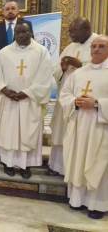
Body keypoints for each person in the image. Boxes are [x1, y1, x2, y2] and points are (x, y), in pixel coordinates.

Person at [0, 23, 53, 179]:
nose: (21, 35)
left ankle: (25, 166)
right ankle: (8, 164)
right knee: (8, 133)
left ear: (31, 32)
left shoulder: (41, 52)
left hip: (29, 101)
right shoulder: (4, 52)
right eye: (18, 32)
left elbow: (45, 78)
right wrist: (5, 90)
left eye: (25, 32)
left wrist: (27, 93)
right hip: (8, 101)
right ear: (14, 34)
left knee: (26, 134)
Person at [59, 36, 108, 219]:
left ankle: (98, 204)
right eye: (94, 46)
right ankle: (77, 200)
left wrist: (97, 104)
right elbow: (65, 95)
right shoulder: (79, 73)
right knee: (78, 161)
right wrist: (75, 102)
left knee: (98, 163)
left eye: (101, 46)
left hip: (100, 127)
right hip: (79, 126)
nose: (96, 49)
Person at [48, 18, 99, 175]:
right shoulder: (70, 47)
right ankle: (57, 166)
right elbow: (56, 71)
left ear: (86, 29)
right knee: (61, 130)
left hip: (85, 99)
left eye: (73, 31)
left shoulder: (98, 44)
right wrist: (63, 68)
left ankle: (75, 170)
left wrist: (80, 65)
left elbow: (101, 71)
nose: (70, 35)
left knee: (77, 135)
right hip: (67, 97)